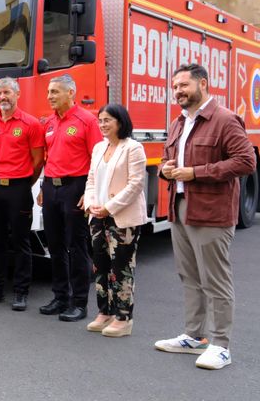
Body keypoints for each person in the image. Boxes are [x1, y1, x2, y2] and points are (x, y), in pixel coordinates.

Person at [155, 63, 255, 370]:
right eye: (175, 87)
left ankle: (221, 345)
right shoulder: (178, 122)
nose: (178, 92)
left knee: (215, 279)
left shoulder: (225, 119)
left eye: (184, 85)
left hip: (212, 210)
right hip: (181, 206)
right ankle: (193, 336)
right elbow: (166, 159)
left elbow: (245, 161)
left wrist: (195, 173)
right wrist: (166, 170)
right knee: (190, 276)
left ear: (203, 84)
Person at [39, 74, 103, 321]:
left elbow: (96, 160)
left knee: (77, 247)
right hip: (52, 187)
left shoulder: (87, 121)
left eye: (55, 92)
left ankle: (79, 303)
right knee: (55, 245)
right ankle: (60, 297)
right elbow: (49, 156)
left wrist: (89, 192)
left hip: (75, 187)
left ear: (70, 93)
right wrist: (44, 188)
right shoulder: (50, 122)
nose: (49, 96)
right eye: (49, 92)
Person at [0, 77, 44, 310]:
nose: (2, 97)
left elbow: (38, 161)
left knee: (21, 242)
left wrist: (26, 182)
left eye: (6, 93)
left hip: (19, 188)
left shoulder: (30, 123)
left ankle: (20, 292)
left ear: (17, 94)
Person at [83, 104, 146, 337]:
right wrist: (91, 205)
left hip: (122, 218)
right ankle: (104, 312)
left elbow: (135, 184)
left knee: (121, 267)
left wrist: (109, 208)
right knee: (100, 266)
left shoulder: (133, 148)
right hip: (97, 217)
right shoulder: (99, 148)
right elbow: (91, 180)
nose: (102, 124)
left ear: (120, 121)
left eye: (107, 120)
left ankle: (123, 317)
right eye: (100, 120)